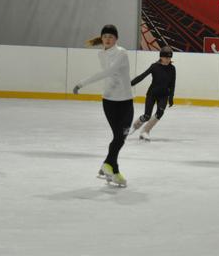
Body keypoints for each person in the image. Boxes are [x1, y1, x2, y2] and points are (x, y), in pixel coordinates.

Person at [73, 25, 133, 187]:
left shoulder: (122, 52)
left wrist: (81, 83)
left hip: (126, 101)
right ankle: (113, 169)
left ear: (116, 39)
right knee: (118, 137)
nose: (107, 39)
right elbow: (110, 75)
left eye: (111, 37)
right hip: (109, 101)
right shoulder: (101, 54)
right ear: (101, 38)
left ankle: (107, 166)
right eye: (105, 36)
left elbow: (109, 71)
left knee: (122, 137)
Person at [130, 46, 176, 141]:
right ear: (161, 57)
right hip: (152, 94)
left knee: (160, 112)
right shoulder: (154, 66)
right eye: (166, 57)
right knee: (147, 116)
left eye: (169, 58)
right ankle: (135, 126)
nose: (168, 59)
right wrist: (130, 83)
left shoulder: (172, 68)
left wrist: (171, 97)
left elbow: (172, 84)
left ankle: (145, 131)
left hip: (164, 95)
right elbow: (142, 76)